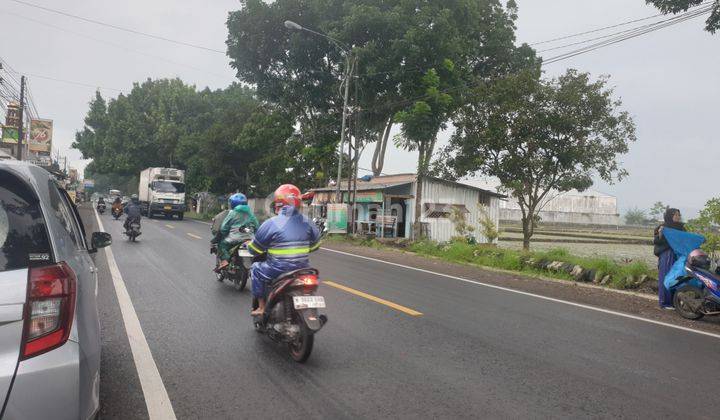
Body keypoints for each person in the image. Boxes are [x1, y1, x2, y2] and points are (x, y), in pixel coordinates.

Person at [248, 184, 320, 316]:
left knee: (256, 268)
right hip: (302, 269)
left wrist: (250, 247)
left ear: (279, 203)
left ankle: (262, 307)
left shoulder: (271, 223)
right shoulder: (308, 222)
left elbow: (255, 249)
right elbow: (315, 245)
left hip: (277, 269)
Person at [216, 193, 259, 271]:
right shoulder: (251, 213)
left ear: (232, 203)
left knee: (222, 245)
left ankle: (225, 260)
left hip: (234, 239)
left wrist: (224, 234)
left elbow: (224, 228)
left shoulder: (232, 213)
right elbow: (257, 227)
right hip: (249, 239)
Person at [653, 207, 685, 308]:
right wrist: (661, 234)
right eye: (675, 215)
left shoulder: (681, 228)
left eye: (679, 215)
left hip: (678, 256)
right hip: (667, 255)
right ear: (670, 216)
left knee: (677, 277)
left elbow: (685, 240)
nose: (678, 217)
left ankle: (674, 302)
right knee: (666, 277)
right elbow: (657, 241)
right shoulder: (663, 227)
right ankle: (665, 302)